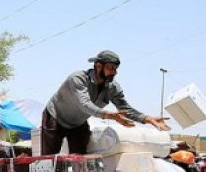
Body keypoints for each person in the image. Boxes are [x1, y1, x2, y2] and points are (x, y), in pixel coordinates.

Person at [41, 50, 169, 155]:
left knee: (79, 160)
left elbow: (125, 109)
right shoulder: (78, 79)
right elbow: (85, 104)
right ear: (98, 65)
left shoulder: (113, 87)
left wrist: (148, 119)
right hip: (55, 117)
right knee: (48, 161)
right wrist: (110, 115)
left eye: (116, 68)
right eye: (111, 68)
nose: (114, 72)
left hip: (77, 124)